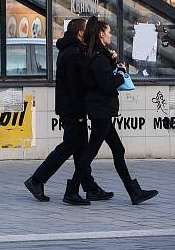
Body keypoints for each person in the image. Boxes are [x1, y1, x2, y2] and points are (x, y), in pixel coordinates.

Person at [63, 16, 159, 206]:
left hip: (101, 109)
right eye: (108, 32)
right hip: (101, 111)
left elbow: (100, 79)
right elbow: (107, 85)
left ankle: (134, 192)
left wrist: (113, 63)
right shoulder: (99, 58)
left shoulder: (98, 55)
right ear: (100, 34)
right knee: (89, 153)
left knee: (117, 149)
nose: (110, 35)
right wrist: (122, 73)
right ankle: (72, 190)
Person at [25, 18, 113, 202]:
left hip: (69, 108)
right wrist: (81, 114)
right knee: (69, 147)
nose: (89, 34)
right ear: (81, 33)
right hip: (73, 110)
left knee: (80, 149)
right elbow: (75, 87)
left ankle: (91, 187)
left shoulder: (69, 50)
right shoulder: (73, 53)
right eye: (86, 31)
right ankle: (37, 179)